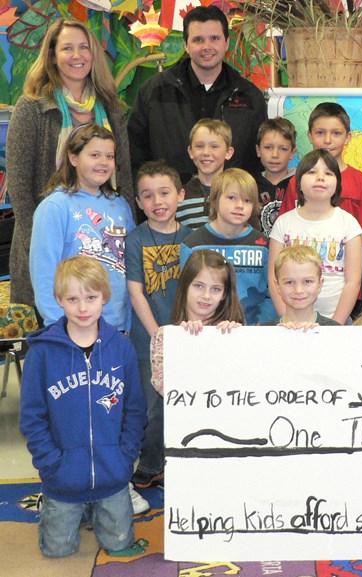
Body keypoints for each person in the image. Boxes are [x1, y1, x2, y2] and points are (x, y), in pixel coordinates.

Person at [19, 256, 147, 558]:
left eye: (91, 297)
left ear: (104, 296)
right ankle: (58, 507)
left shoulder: (121, 347)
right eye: (73, 299)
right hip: (62, 477)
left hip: (112, 474)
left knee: (118, 544)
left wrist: (124, 458)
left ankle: (96, 508)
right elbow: (32, 417)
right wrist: (51, 464)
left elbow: (135, 409)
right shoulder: (42, 354)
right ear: (59, 300)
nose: (83, 308)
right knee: (57, 551)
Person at [6, 17, 134, 309]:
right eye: (67, 48)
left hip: (104, 249)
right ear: (52, 55)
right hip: (49, 247)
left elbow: (123, 174)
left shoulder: (110, 108)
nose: (77, 56)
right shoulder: (32, 107)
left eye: (84, 47)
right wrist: (37, 245)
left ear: (93, 54)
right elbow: (21, 188)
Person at [127, 5, 266, 183]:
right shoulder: (154, 92)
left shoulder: (250, 96)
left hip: (232, 205)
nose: (207, 47)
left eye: (214, 38)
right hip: (169, 206)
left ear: (226, 43)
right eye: (198, 40)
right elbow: (134, 156)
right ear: (186, 44)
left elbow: (259, 162)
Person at [30, 124, 134, 332]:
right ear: (74, 158)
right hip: (75, 327)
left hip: (118, 327)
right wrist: (60, 326)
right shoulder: (55, 207)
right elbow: (44, 273)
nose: (103, 163)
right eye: (95, 155)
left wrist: (130, 321)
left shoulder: (120, 204)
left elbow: (130, 266)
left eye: (109, 156)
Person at [126, 161, 191, 489]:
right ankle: (150, 464)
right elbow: (135, 290)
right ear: (139, 202)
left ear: (180, 195)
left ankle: (180, 463)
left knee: (185, 404)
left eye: (165, 193)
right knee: (153, 408)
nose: (157, 201)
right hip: (148, 338)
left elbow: (200, 290)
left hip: (187, 337)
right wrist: (157, 334)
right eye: (148, 196)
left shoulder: (193, 238)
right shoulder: (136, 239)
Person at [269, 150, 362, 324]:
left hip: (336, 321)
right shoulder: (283, 223)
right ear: (297, 182)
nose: (320, 177)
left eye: (328, 173)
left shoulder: (348, 223)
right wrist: (287, 320)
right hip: (290, 324)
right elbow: (273, 278)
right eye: (312, 172)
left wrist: (335, 325)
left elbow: (353, 282)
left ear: (337, 183)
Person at [181, 168, 274, 325]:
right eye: (231, 197)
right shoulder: (192, 245)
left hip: (252, 333)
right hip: (207, 333)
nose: (239, 206)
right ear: (214, 200)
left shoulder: (264, 246)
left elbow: (274, 293)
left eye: (247, 200)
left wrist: (260, 326)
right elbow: (185, 295)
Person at [276, 102, 362, 236]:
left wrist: (353, 253)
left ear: (348, 137)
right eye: (320, 133)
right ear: (310, 136)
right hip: (303, 254)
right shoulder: (297, 181)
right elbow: (285, 227)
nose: (327, 140)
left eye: (336, 133)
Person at [151, 250, 245, 396]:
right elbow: (163, 388)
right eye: (199, 286)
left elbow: (244, 383)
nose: (206, 295)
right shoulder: (165, 336)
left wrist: (237, 339)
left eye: (215, 289)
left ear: (224, 294)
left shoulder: (233, 332)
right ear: (185, 285)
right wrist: (185, 342)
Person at [262, 245, 340, 328]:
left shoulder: (336, 332)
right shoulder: (263, 333)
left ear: (320, 284)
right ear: (277, 286)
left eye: (307, 281)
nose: (298, 290)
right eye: (289, 282)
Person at [178, 119, 235, 229]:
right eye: (199, 146)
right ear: (190, 152)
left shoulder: (240, 193)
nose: (206, 152)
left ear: (228, 152)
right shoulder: (179, 197)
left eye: (214, 146)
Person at [254, 118, 297, 237]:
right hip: (259, 250)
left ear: (292, 153)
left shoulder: (301, 184)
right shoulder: (250, 185)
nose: (275, 155)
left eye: (283, 149)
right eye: (268, 147)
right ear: (258, 150)